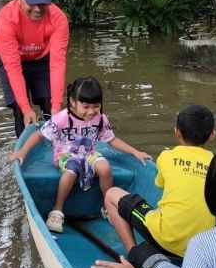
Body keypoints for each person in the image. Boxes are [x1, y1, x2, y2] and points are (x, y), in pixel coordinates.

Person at [9, 77, 150, 233]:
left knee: (105, 168)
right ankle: (57, 210)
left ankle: (107, 206)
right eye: (86, 106)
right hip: (65, 154)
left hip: (89, 153)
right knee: (72, 170)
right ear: (73, 102)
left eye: (96, 106)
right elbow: (39, 136)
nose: (91, 111)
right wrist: (22, 151)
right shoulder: (62, 118)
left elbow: (112, 139)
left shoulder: (100, 119)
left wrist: (135, 152)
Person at [104, 104, 216, 258]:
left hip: (164, 239)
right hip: (200, 248)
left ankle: (134, 256)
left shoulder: (166, 157)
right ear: (212, 135)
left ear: (177, 132)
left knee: (111, 194)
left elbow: (159, 184)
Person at [0, 0, 70, 137]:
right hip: (13, 62)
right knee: (20, 111)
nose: (37, 9)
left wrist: (57, 107)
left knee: (49, 105)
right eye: (32, 3)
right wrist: (25, 107)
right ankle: (22, 153)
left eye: (42, 3)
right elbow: (13, 68)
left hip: (42, 59)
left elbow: (58, 64)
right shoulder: (7, 18)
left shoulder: (58, 19)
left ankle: (55, 149)